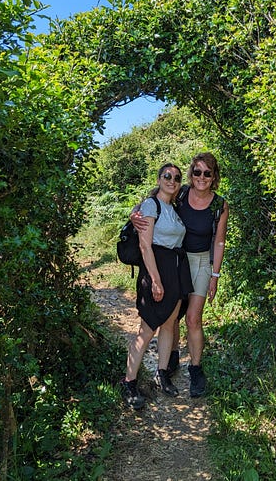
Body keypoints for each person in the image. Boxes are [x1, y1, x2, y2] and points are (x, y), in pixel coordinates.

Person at [131, 152, 229, 398]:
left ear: (214, 176)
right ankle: (170, 359)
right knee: (172, 316)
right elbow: (153, 201)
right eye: (197, 172)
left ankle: (195, 369)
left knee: (193, 318)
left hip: (200, 263)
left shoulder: (220, 204)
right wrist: (134, 215)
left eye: (207, 173)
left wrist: (215, 275)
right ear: (191, 174)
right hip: (176, 260)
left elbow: (219, 242)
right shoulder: (182, 192)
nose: (202, 178)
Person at [119, 163, 193, 410]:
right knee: (147, 328)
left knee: (170, 324)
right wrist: (155, 279)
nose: (171, 180)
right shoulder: (151, 205)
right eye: (167, 176)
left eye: (176, 177)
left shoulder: (174, 208)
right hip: (156, 269)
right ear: (159, 179)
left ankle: (161, 373)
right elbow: (145, 246)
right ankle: (129, 382)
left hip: (175, 270)